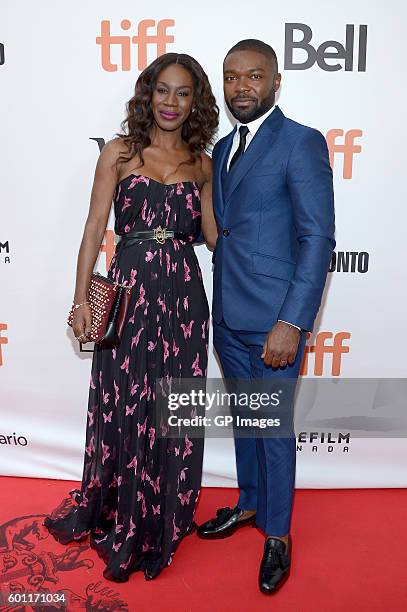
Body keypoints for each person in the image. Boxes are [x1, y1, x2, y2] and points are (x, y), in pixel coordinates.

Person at [43, 52, 219, 582]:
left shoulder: (203, 162)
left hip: (184, 298)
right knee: (126, 402)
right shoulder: (120, 153)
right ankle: (123, 509)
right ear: (149, 95)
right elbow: (95, 228)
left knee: (174, 407)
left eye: (182, 93)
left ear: (196, 102)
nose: (170, 102)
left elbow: (213, 239)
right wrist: (80, 302)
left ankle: (167, 512)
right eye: (162, 90)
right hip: (130, 296)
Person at [197, 39, 335, 594]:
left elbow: (317, 237)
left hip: (276, 318)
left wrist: (293, 322)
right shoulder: (224, 147)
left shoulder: (300, 143)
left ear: (276, 82)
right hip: (228, 316)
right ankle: (250, 504)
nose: (242, 87)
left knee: (272, 429)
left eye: (254, 76)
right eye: (232, 78)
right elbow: (224, 233)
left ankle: (278, 535)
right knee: (247, 423)